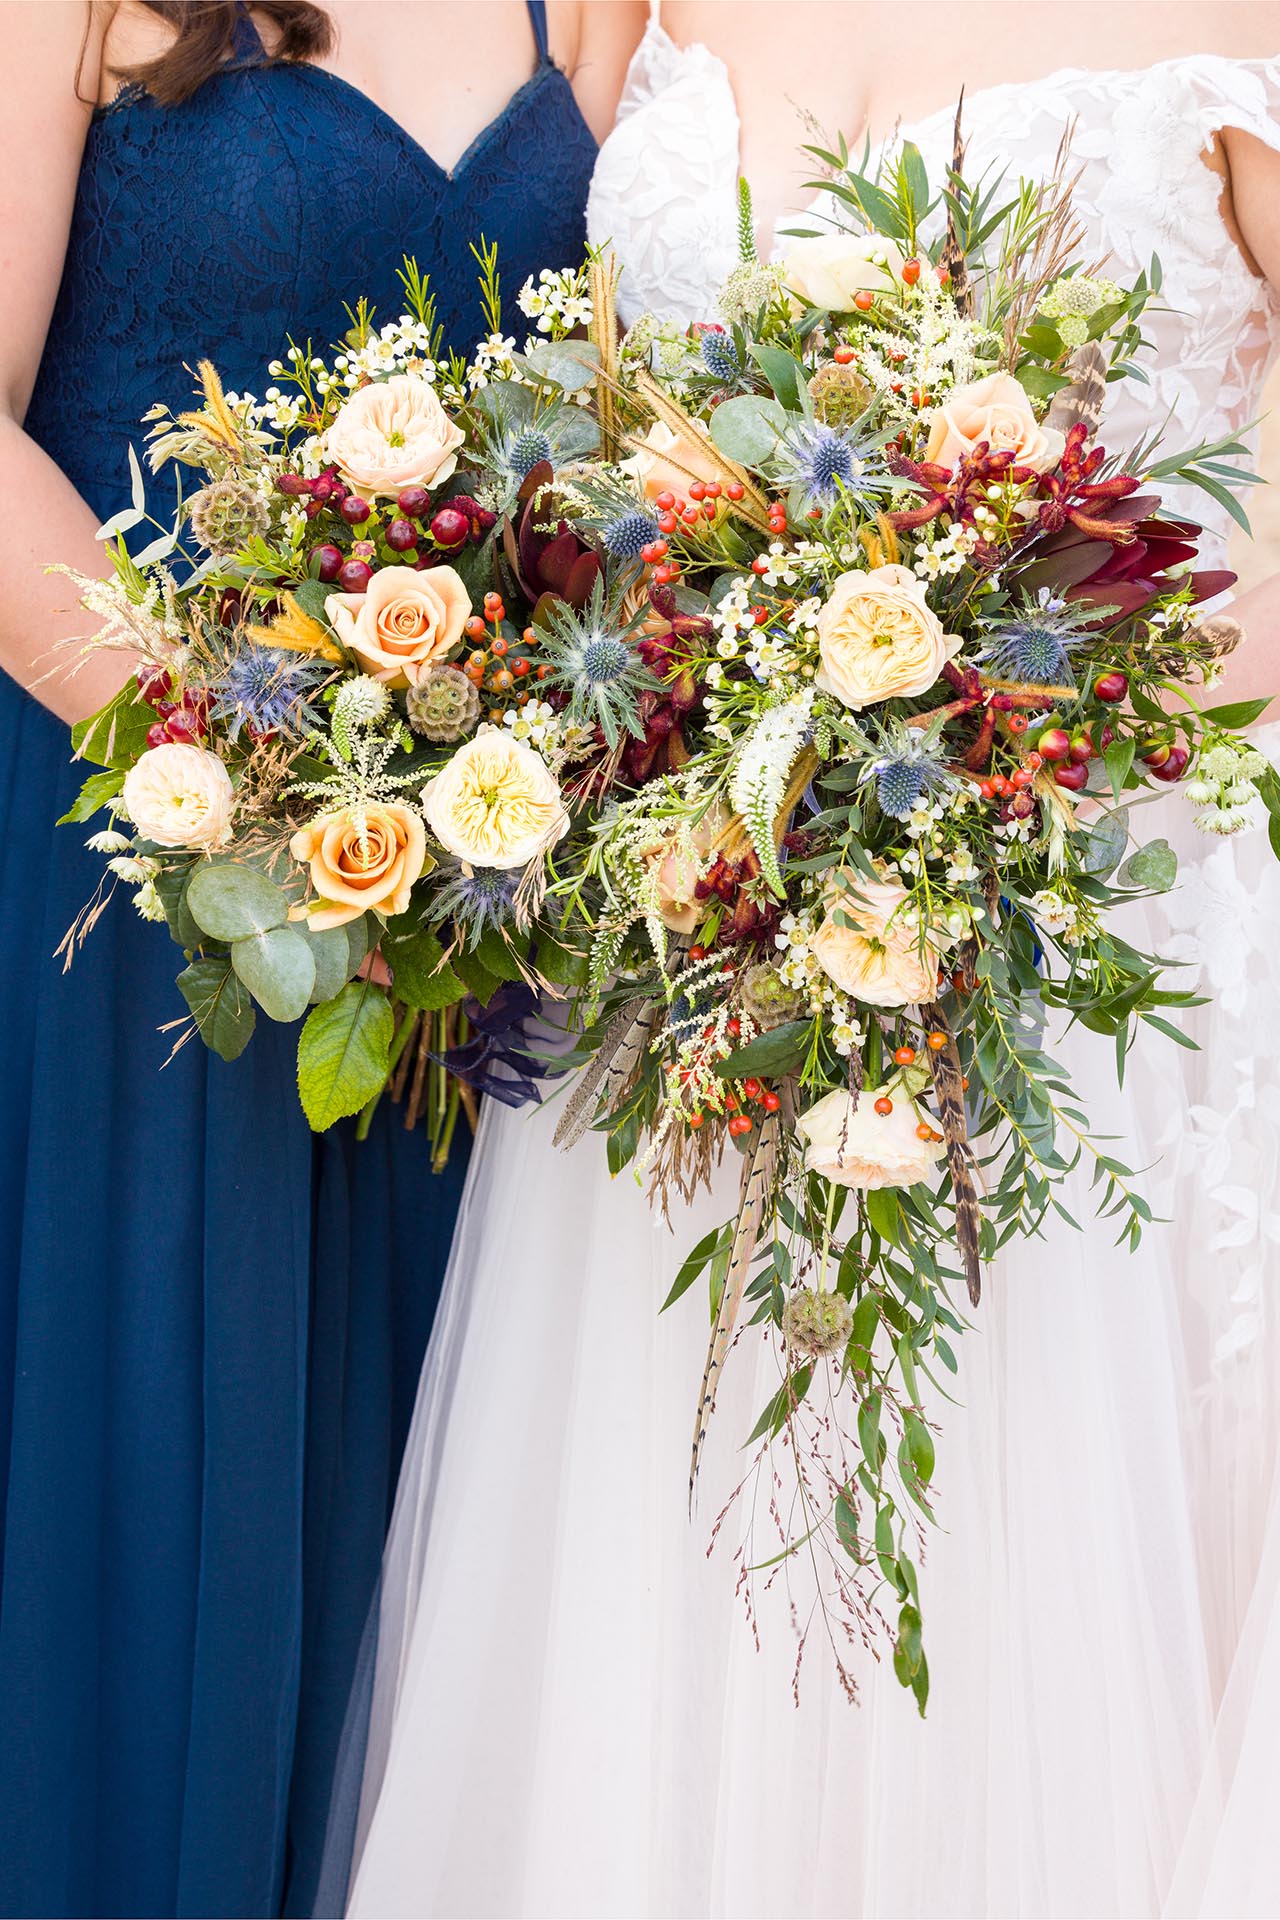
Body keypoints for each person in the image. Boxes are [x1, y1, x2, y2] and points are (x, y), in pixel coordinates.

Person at [337, 3, 1280, 1917]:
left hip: (1106, 911)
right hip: (704, 951)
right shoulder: (653, 1)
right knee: (660, 1630)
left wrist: (983, 737)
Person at [0, 2, 642, 1914]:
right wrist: (251, 784)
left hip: (475, 906)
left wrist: (495, 791)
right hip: (133, 874)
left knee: (425, 1551)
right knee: (154, 1494)